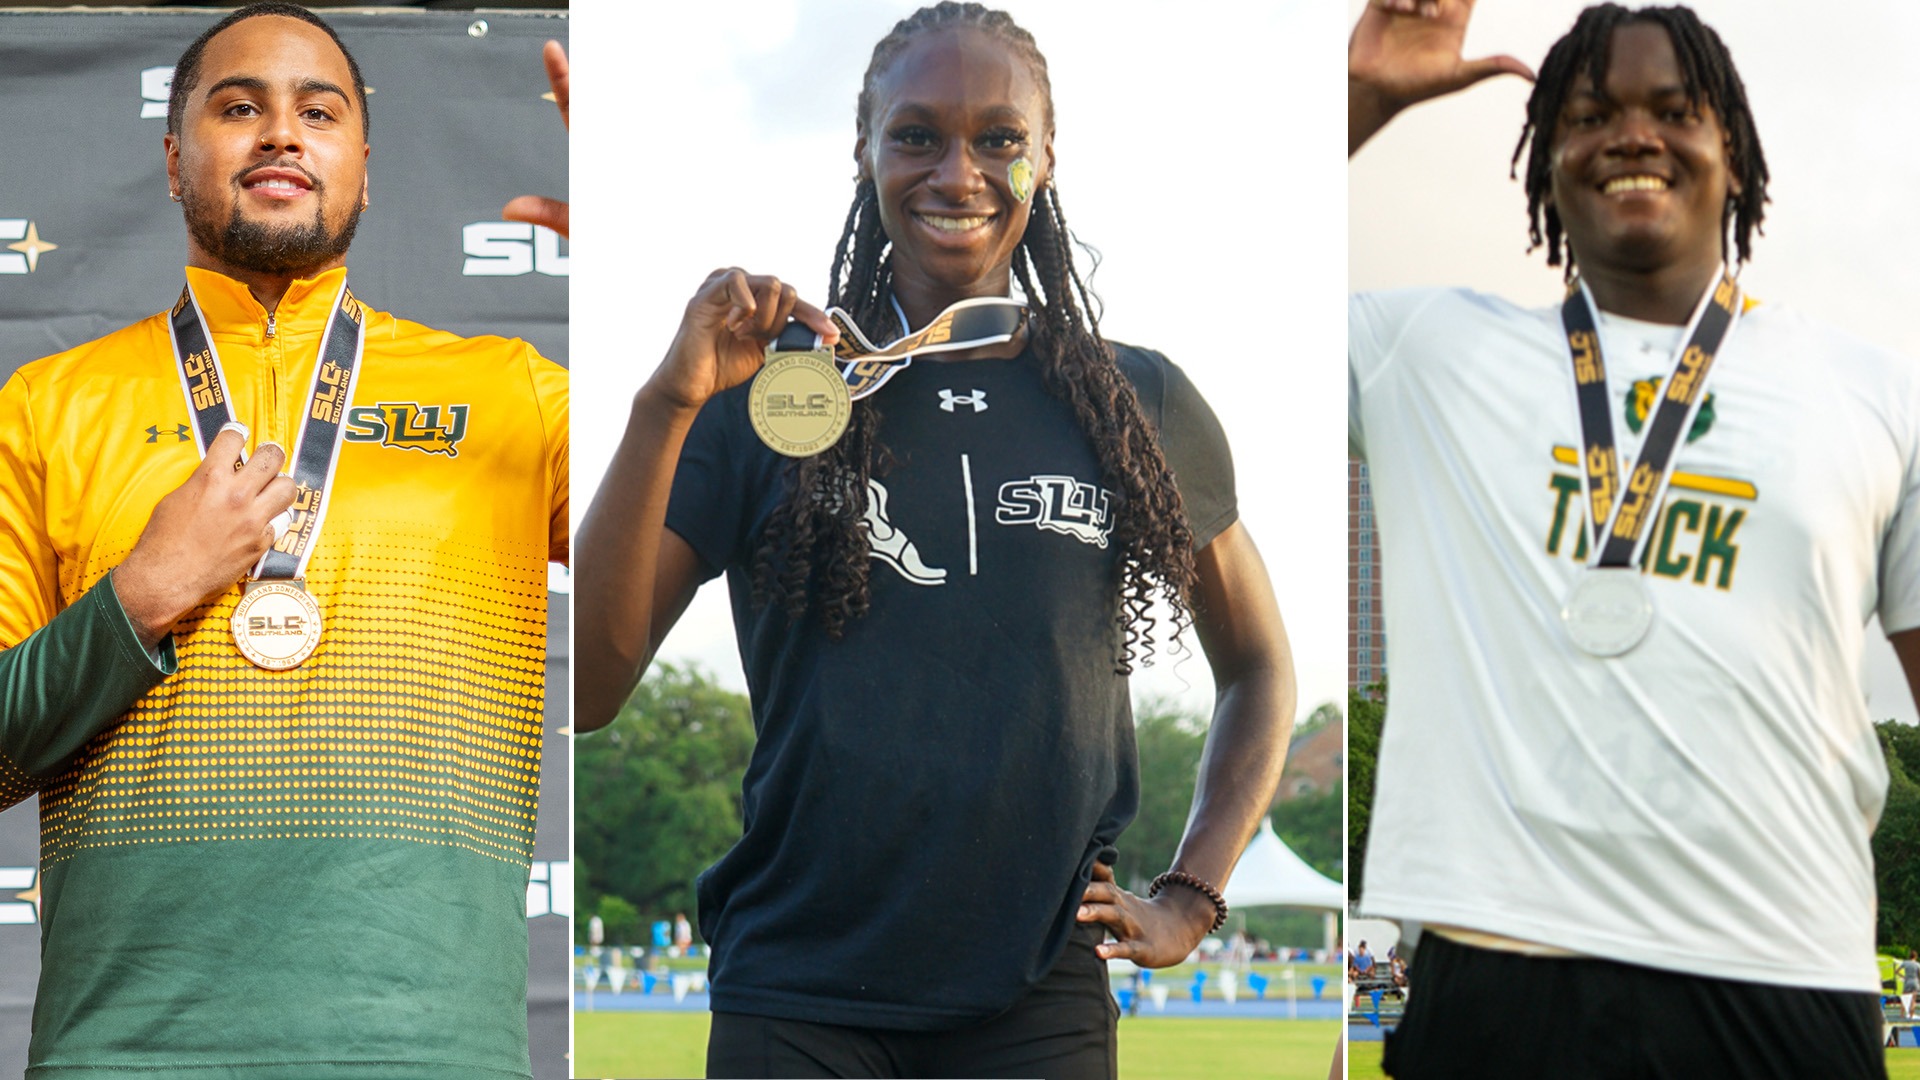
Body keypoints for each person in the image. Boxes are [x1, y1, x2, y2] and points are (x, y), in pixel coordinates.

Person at [574, 3, 1296, 1076]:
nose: (957, 173)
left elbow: (1261, 666)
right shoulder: (766, 390)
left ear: (1046, 157)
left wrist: (1192, 892)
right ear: (863, 147)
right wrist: (664, 406)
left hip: (1036, 997)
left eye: (998, 138)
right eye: (917, 135)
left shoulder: (1134, 399)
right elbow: (587, 690)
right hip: (797, 990)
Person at [1349, 2, 1918, 1076]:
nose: (1631, 134)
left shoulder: (1881, 395)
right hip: (1499, 973)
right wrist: (1363, 98)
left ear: (1735, 155)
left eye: (1673, 109)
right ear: (1548, 163)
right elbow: (1215, 283)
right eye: (1590, 112)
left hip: (1784, 974)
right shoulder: (1424, 351)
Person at [0, 5, 569, 1077]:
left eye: (319, 110)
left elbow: (716, 537)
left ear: (362, 162)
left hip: (432, 1054)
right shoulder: (45, 406)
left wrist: (641, 284)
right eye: (237, 107)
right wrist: (138, 599)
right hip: (122, 1053)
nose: (280, 133)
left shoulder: (516, 396)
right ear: (174, 161)